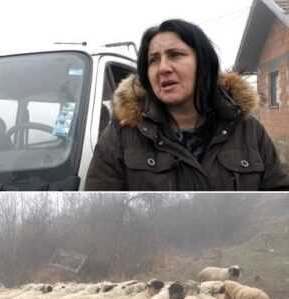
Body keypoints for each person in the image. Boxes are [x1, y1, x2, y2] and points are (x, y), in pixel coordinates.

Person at [86, 19, 289, 190]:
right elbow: (100, 213)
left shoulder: (248, 131)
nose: (163, 68)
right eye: (153, 60)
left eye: (175, 55)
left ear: (204, 63)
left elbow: (278, 205)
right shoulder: (122, 135)